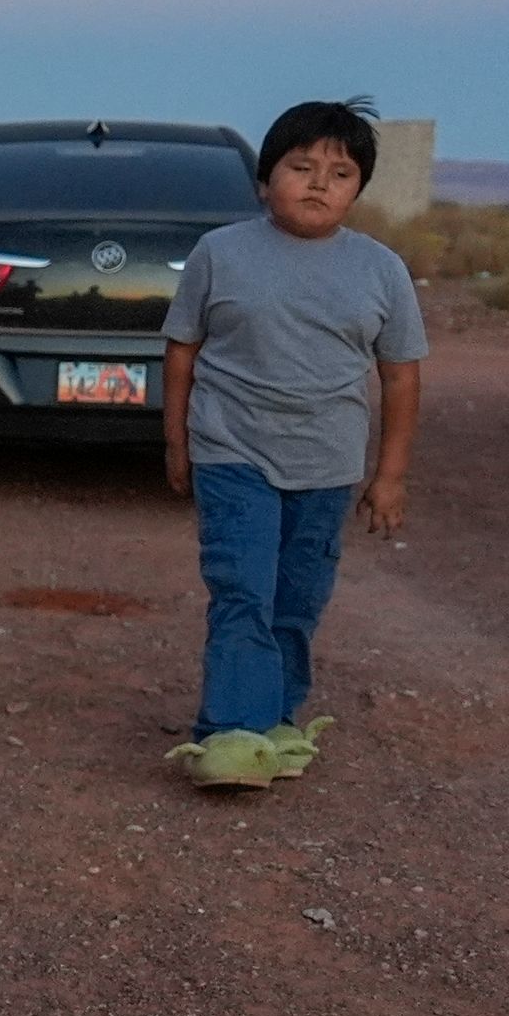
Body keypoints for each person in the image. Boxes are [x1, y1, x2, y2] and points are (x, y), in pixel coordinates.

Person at [159, 99, 423, 783]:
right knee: (242, 587)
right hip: (232, 449)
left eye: (339, 173)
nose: (317, 183)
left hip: (326, 463)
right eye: (300, 166)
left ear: (358, 188)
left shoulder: (381, 270)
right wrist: (176, 443)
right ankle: (229, 737)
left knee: (297, 598)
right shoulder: (220, 253)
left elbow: (399, 377)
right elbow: (182, 351)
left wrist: (389, 476)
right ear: (263, 180)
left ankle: (275, 717)